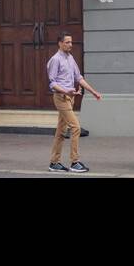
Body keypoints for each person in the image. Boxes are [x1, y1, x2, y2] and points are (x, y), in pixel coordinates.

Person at [47, 33, 101, 172]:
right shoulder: (55, 59)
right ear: (60, 43)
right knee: (76, 127)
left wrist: (93, 92)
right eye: (67, 42)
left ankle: (54, 163)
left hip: (70, 98)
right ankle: (74, 162)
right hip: (61, 98)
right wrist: (66, 92)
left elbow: (79, 78)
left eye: (71, 42)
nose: (70, 45)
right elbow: (52, 83)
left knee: (61, 131)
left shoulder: (70, 58)